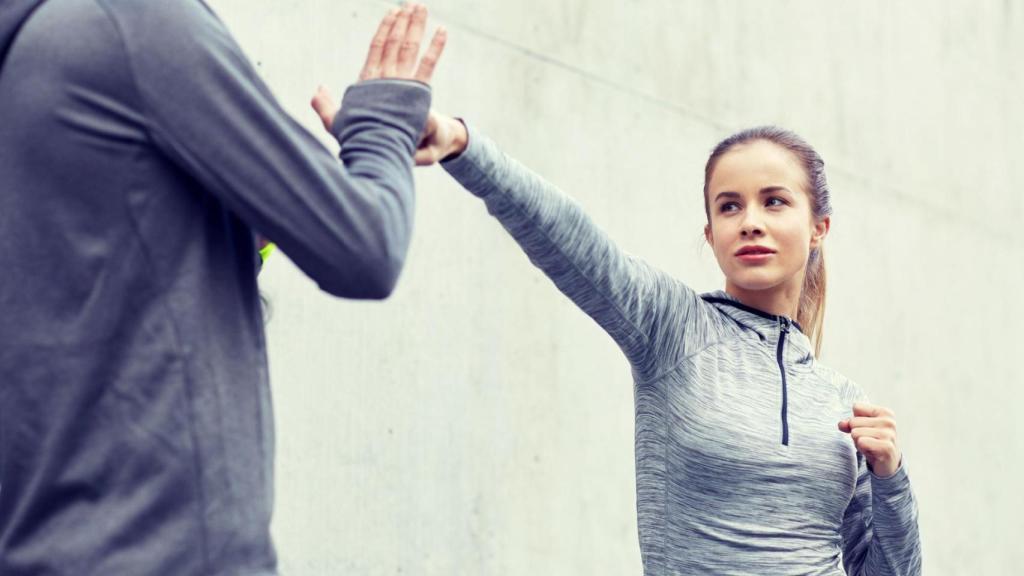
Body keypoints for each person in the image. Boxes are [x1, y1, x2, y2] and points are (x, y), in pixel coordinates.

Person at [359, 108, 923, 573]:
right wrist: (464, 147)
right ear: (711, 233)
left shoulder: (841, 400)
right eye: (730, 206)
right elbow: (574, 242)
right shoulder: (673, 328)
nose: (750, 221)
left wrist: (891, 478)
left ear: (818, 226)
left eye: (774, 201)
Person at [0, 1, 445, 574]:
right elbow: (367, 246)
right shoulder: (138, 23)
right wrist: (385, 117)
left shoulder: (29, 53)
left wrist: (236, 232)